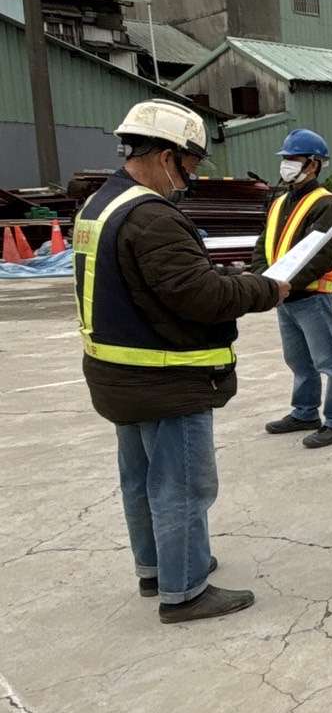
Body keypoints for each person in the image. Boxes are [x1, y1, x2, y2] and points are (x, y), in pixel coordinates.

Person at [78, 101, 287, 622]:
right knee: (182, 484)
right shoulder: (150, 216)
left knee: (142, 479)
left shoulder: (100, 205)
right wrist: (265, 288)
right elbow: (199, 297)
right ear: (167, 155)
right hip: (166, 375)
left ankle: (157, 568)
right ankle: (186, 588)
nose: (190, 179)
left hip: (120, 374)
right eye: (190, 165)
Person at [251, 128, 332, 448]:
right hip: (285, 296)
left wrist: (284, 284)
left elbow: (323, 253)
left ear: (314, 165)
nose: (287, 165)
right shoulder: (280, 201)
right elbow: (264, 243)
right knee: (298, 361)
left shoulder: (326, 204)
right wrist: (261, 278)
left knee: (329, 362)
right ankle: (305, 411)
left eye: (293, 159)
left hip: (311, 296)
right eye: (286, 159)